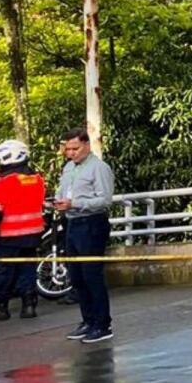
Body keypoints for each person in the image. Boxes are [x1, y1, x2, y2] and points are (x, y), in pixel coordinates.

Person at [55, 128, 115, 343]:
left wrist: (76, 204)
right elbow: (62, 192)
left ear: (87, 146)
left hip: (91, 222)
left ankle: (102, 323)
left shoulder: (98, 168)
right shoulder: (69, 168)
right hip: (71, 221)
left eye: (75, 148)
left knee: (92, 275)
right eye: (68, 149)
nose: (71, 153)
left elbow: (105, 200)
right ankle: (88, 320)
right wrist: (59, 202)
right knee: (77, 276)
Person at [0, 139, 46, 320]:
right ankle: (29, 305)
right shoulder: (37, 180)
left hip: (8, 235)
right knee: (27, 268)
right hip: (33, 234)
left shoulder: (4, 183)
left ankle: (0, 308)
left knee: (3, 271)